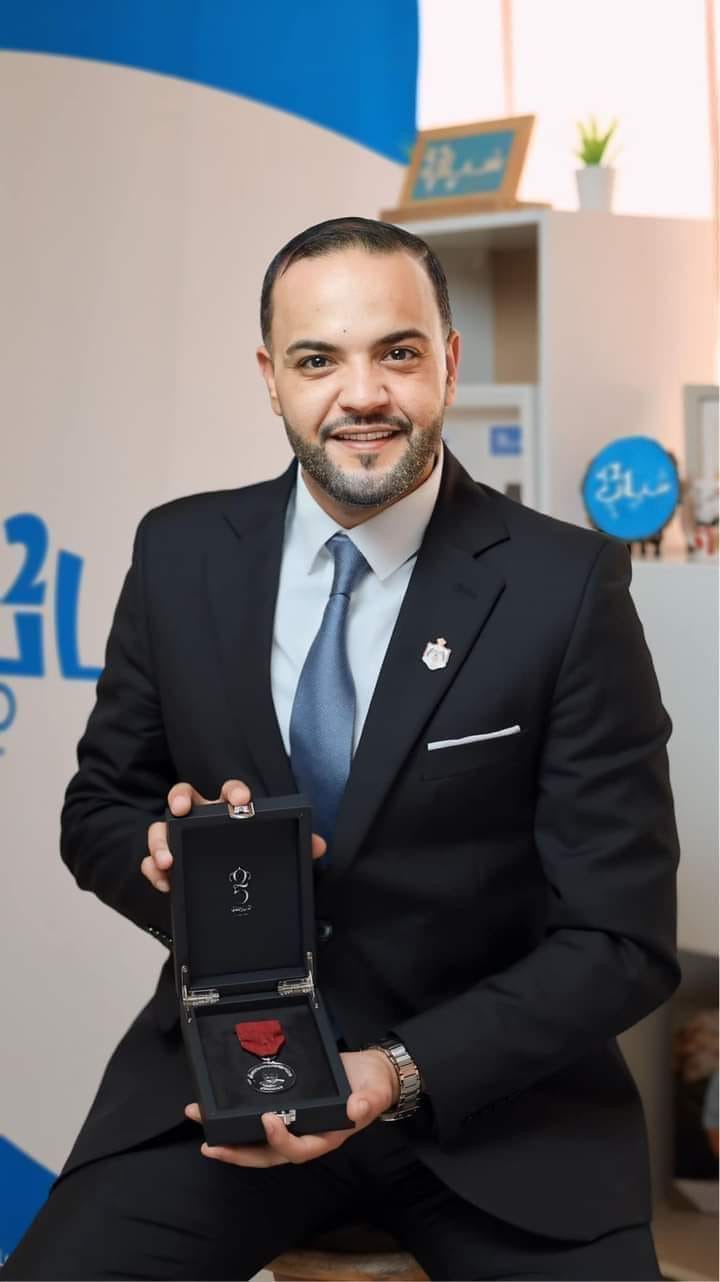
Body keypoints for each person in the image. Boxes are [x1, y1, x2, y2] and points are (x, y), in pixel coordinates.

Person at [5, 216, 680, 1281]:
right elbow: (99, 809)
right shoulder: (180, 553)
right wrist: (164, 860)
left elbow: (621, 936)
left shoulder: (566, 586)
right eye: (318, 360)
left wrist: (399, 1070)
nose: (361, 394)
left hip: (503, 1111)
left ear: (448, 361)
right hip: (226, 1079)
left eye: (396, 352)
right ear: (271, 377)